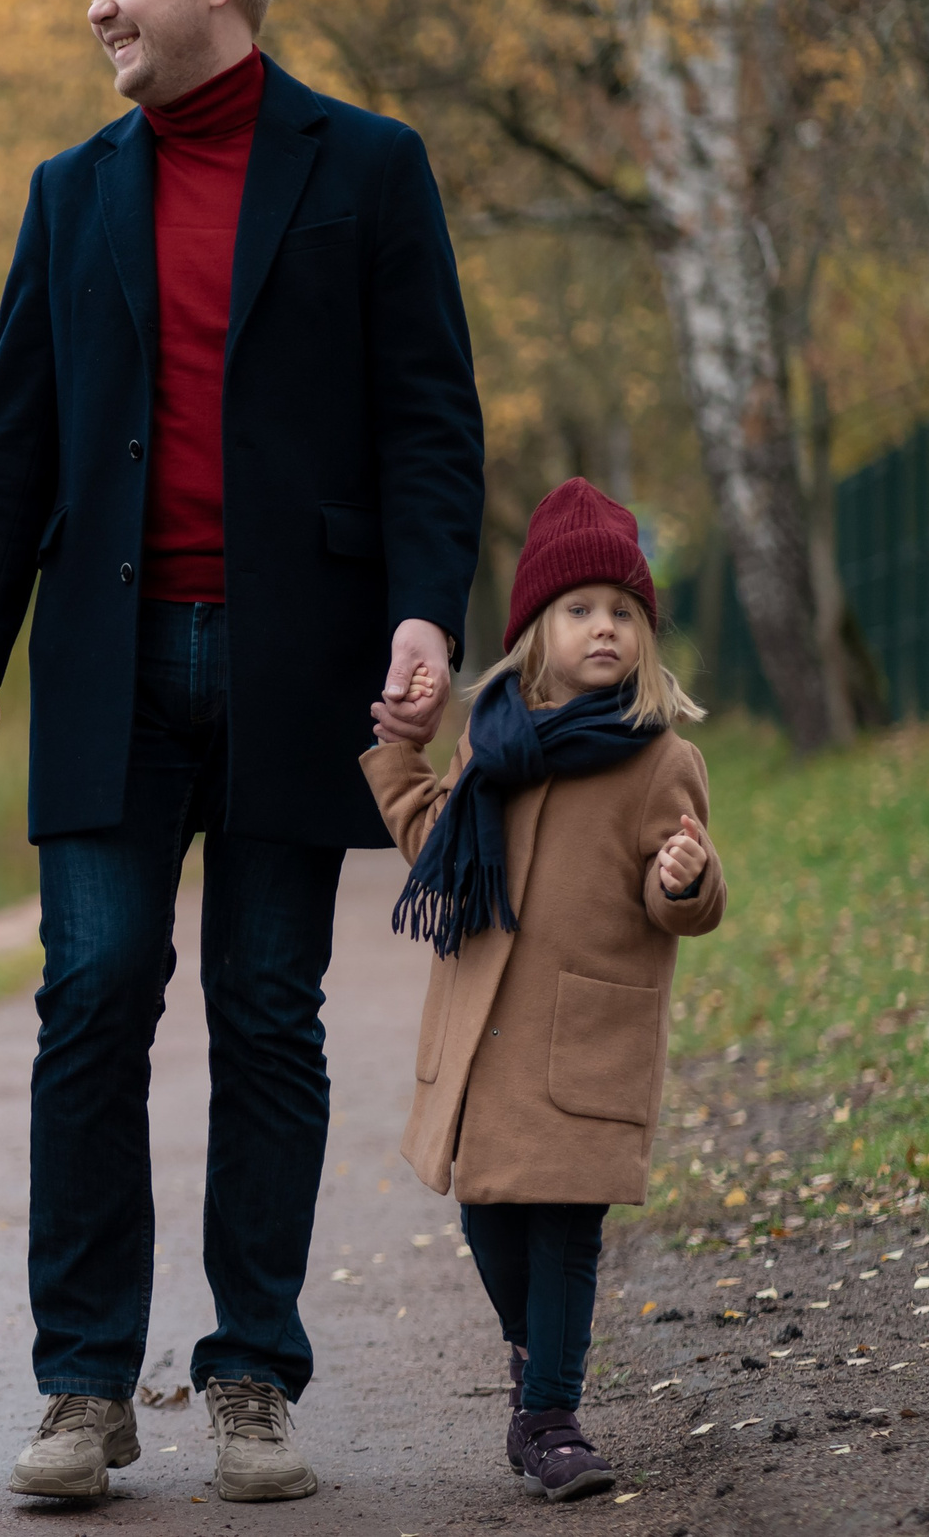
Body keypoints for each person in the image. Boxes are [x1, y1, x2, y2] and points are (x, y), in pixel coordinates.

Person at [0, 0, 486, 1503]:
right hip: (110, 662)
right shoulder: (70, 193)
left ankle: (251, 1378)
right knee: (91, 1004)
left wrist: (427, 609)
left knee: (266, 1012)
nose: (93, 5)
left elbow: (430, 417)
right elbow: (10, 446)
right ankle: (84, 1389)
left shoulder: (368, 171)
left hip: (302, 665)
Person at [364, 479, 724, 1502]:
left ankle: (551, 1415)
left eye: (620, 610)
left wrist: (683, 880)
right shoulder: (495, 743)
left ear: (643, 635)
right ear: (535, 629)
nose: (601, 626)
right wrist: (401, 754)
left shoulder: (661, 759)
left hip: (582, 1044)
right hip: (487, 1038)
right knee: (487, 1215)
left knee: (566, 1228)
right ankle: (532, 1353)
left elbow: (686, 893)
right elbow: (440, 844)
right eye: (578, 609)